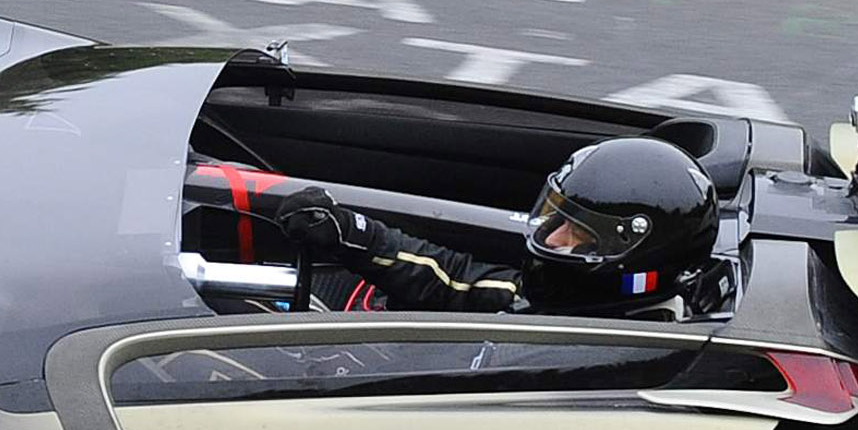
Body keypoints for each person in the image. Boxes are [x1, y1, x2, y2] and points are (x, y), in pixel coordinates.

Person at [269, 136, 726, 318]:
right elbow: (462, 282)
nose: (552, 237)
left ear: (633, 261)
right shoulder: (573, 305)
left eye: (579, 236)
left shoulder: (621, 352)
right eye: (558, 218)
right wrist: (357, 233)